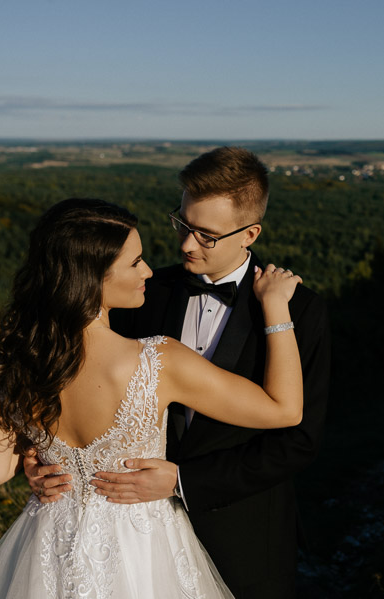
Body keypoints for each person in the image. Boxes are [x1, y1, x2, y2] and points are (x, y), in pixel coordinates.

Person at [25, 147, 331, 598]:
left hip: (242, 532)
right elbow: (81, 380)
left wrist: (183, 482)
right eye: (183, 224)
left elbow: (298, 439)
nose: (186, 243)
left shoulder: (298, 311)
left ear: (250, 233)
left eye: (206, 235)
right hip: (130, 539)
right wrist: (41, 455)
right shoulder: (142, 290)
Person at [0, 198, 305, 598]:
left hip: (50, 549)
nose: (148, 270)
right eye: (134, 263)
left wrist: (33, 456)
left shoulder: (13, 361)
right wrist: (276, 307)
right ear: (91, 278)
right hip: (142, 553)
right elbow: (284, 410)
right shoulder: (158, 361)